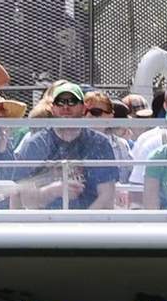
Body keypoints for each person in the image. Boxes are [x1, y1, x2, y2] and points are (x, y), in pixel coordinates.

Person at [13, 82, 116, 210]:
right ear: (52, 108)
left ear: (83, 108)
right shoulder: (35, 144)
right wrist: (53, 191)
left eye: (72, 101)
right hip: (44, 223)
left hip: (89, 224)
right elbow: (25, 200)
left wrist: (82, 223)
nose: (66, 107)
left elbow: (107, 195)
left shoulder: (99, 143)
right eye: (60, 102)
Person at [85, 90, 133, 183]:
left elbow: (130, 175)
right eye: (84, 111)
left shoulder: (120, 144)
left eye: (96, 112)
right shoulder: (74, 142)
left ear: (110, 115)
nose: (88, 115)